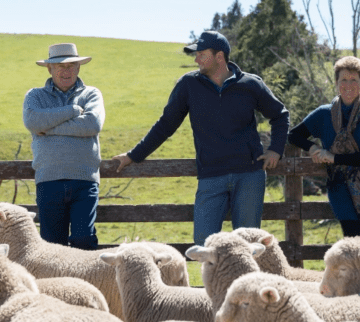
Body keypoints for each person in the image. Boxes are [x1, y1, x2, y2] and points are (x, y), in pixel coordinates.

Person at [112, 30, 289, 245]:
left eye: (201, 54)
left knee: (248, 245)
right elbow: (166, 125)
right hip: (211, 176)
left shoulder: (250, 85)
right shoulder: (188, 85)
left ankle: (247, 280)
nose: (196, 59)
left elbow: (280, 115)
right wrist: (133, 155)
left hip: (249, 176)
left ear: (219, 56)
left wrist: (276, 149)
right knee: (203, 243)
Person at [287, 55, 360, 238]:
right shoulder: (324, 114)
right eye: (343, 80)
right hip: (341, 188)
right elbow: (294, 135)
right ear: (337, 82)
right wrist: (313, 148)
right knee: (352, 242)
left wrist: (334, 158)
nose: (348, 85)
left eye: (353, 80)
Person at [23, 43, 105, 249]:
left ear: (78, 68)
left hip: (84, 180)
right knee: (52, 246)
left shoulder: (91, 94)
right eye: (59, 66)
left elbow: (92, 124)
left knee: (83, 240)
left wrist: (47, 127)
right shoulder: (35, 96)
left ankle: (83, 283)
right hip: (48, 180)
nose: (65, 71)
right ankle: (56, 284)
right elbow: (33, 122)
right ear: (49, 69)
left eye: (71, 66)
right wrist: (72, 111)